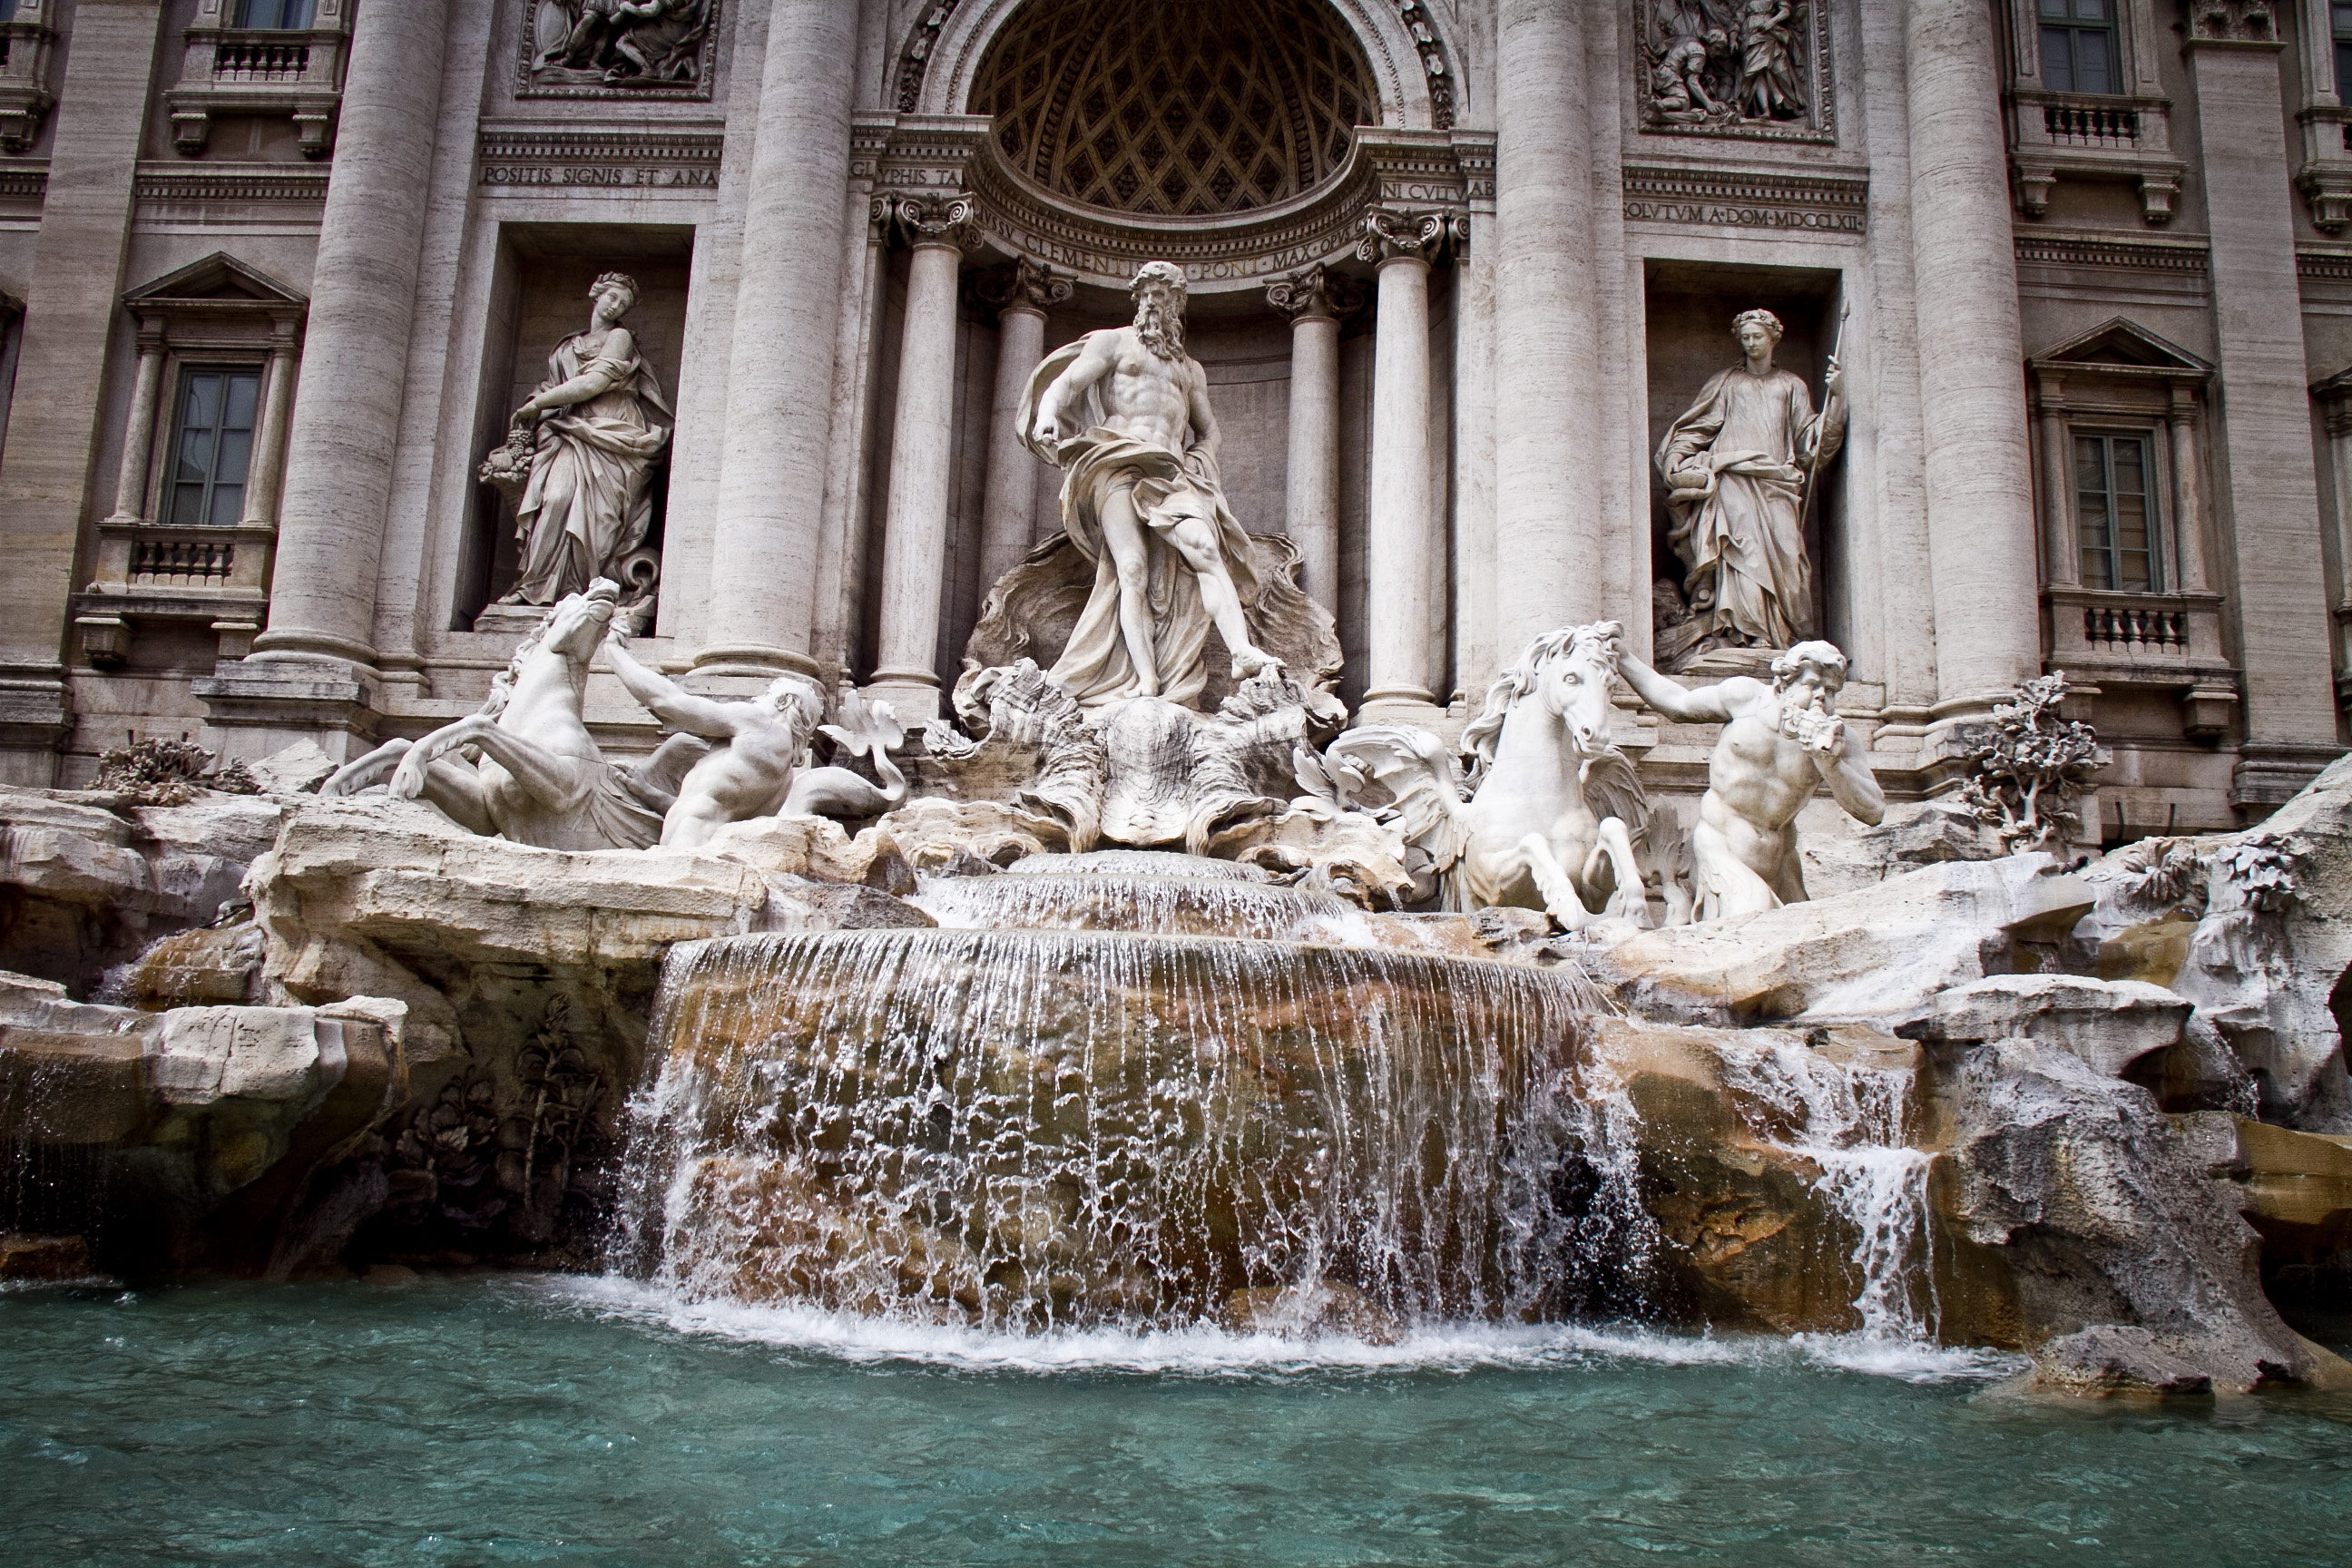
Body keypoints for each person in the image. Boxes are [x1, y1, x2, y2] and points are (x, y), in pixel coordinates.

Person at [1021, 260, 1279, 710]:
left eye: (1165, 295)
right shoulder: (1112, 342)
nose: (1154, 303)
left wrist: (1202, 463)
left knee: (1205, 547)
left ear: (1179, 304)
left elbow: (1210, 430)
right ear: (1136, 299)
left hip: (1171, 473)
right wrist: (1047, 416)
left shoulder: (1189, 369)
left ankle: (1240, 651)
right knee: (1132, 571)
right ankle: (1146, 681)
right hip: (1116, 462)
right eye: (1147, 294)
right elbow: (1066, 384)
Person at [1614, 640, 1884, 920]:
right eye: (1812, 685)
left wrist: (1830, 762)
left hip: (1781, 862)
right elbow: (1677, 704)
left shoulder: (1840, 740)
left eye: (1830, 690)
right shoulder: (1744, 698)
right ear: (1783, 684)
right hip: (1721, 848)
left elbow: (1873, 810)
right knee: (1753, 922)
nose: (1820, 697)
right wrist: (1624, 658)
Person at [1655, 307, 1844, 653]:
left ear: (1773, 338)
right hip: (1733, 478)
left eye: (1757, 336)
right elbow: (1695, 429)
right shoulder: (1727, 383)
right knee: (1742, 553)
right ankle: (1747, 633)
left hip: (1776, 482)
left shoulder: (1791, 385)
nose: (1751, 343)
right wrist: (1675, 459)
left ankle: (1784, 636)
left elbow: (1811, 445)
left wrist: (1837, 399)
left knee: (1790, 555)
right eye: (1745, 338)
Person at [500, 271, 672, 606]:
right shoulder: (567, 346)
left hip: (612, 431)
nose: (615, 306)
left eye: (623, 303)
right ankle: (536, 587)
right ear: (596, 293)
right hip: (569, 430)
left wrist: (537, 405)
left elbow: (593, 383)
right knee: (556, 498)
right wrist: (537, 406)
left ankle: (581, 594)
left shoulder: (620, 338)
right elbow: (554, 387)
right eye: (612, 297)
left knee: (600, 519)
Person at [602, 625, 825, 849]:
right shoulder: (784, 779)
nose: (756, 699)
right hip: (698, 849)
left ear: (784, 701)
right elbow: (704, 809)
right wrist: (645, 791)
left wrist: (614, 653)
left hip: (686, 846)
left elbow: (668, 700)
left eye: (766, 695)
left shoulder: (759, 724)